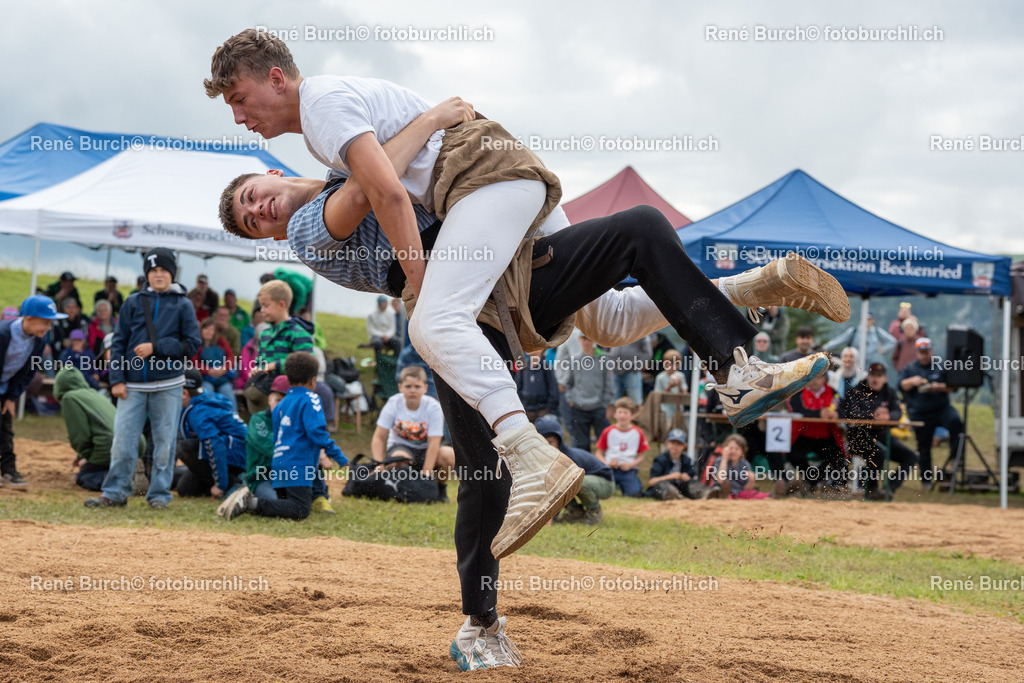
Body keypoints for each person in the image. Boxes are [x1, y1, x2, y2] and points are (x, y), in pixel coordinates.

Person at [206, 29, 845, 667]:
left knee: (574, 312)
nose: (259, 211)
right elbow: (372, 192)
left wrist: (420, 163)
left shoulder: (327, 122)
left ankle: (736, 330)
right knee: (574, 357)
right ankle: (482, 622)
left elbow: (386, 184)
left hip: (485, 257)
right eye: (250, 221)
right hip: (474, 276)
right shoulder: (309, 230)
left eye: (251, 197)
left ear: (270, 166)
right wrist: (430, 116)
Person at [84, 248, 201, 509]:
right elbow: (119, 342)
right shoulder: (133, 302)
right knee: (123, 443)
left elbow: (192, 344)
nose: (158, 275)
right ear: (146, 274)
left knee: (164, 445)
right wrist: (116, 379)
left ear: (172, 273)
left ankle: (159, 496)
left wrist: (156, 346)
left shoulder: (183, 305)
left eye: (163, 270)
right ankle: (114, 493)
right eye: (153, 271)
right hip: (132, 385)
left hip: (169, 385)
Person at [220, 352, 348, 520]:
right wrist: (339, 457)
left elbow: (277, 438)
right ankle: (251, 503)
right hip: (297, 464)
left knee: (291, 503)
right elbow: (317, 432)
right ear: (313, 380)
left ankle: (255, 502)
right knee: (300, 509)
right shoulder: (311, 398)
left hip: (280, 463)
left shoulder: (283, 404)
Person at [0, 295, 68, 487]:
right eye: (45, 323)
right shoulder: (3, 334)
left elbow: (29, 372)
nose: (48, 328)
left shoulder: (38, 341)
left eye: (50, 323)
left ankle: (8, 471)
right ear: (28, 318)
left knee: (5, 429)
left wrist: (11, 397)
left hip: (6, 389)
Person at [54, 366, 145, 491]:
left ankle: (124, 481)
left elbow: (80, 435)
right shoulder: (93, 394)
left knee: (85, 476)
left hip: (110, 445)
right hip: (136, 442)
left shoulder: (70, 398)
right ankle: (128, 471)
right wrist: (82, 456)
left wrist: (85, 456)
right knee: (97, 467)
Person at [372, 365, 454, 501]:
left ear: (425, 388)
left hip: (425, 451)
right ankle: (401, 488)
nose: (412, 390)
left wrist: (426, 473)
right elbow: (379, 437)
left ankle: (440, 490)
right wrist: (379, 464)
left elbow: (434, 442)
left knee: (449, 454)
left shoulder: (433, 407)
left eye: (417, 386)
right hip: (401, 449)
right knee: (398, 459)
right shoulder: (393, 403)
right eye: (408, 386)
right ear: (400, 387)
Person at [839, 362, 919, 500]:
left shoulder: (889, 392)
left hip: (882, 436)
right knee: (878, 454)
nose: (875, 379)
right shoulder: (855, 391)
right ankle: (872, 490)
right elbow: (848, 413)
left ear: (884, 378)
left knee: (911, 457)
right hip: (859, 436)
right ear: (868, 376)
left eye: (879, 376)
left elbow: (898, 413)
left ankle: (890, 489)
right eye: (873, 375)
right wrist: (872, 415)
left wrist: (889, 416)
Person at [899, 337, 963, 490]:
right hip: (920, 412)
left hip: (942, 408)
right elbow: (901, 385)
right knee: (923, 447)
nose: (924, 355)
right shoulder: (909, 369)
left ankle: (956, 459)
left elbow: (954, 387)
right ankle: (926, 482)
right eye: (921, 352)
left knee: (955, 421)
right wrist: (911, 382)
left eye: (926, 351)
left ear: (931, 351)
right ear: (917, 353)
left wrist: (940, 386)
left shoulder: (941, 366)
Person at [245, 280, 315, 413]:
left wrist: (276, 365)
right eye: (261, 306)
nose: (262, 310)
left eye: (266, 306)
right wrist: (257, 369)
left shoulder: (298, 333)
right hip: (263, 395)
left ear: (281, 305)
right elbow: (260, 361)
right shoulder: (264, 334)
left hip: (289, 399)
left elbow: (307, 365)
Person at [175, 369, 248, 498]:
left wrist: (221, 485)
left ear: (184, 393)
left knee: (186, 447)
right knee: (185, 489)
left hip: (238, 457)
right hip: (226, 454)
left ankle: (235, 483)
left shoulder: (199, 413)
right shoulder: (199, 399)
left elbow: (215, 445)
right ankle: (217, 480)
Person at [535, 415, 614, 525]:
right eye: (543, 442)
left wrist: (551, 518)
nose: (548, 446)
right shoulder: (543, 461)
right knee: (560, 484)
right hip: (581, 481)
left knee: (573, 482)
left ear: (560, 441)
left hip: (606, 483)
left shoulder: (568, 458)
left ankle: (594, 512)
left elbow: (562, 490)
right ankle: (576, 512)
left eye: (551, 442)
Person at [787, 374, 847, 494]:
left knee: (838, 458)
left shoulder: (833, 392)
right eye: (813, 377)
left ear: (824, 379)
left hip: (825, 436)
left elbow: (843, 410)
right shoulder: (799, 392)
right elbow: (797, 410)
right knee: (793, 455)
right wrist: (819, 413)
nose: (815, 381)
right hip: (803, 435)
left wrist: (837, 414)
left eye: (818, 377)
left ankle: (810, 481)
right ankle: (812, 481)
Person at [564, 334, 616, 451]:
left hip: (598, 405)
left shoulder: (604, 359)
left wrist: (606, 403)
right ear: (580, 340)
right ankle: (585, 467)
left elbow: (609, 383)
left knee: (603, 442)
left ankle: (603, 466)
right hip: (578, 406)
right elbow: (569, 382)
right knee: (581, 443)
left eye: (590, 339)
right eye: (584, 339)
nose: (587, 342)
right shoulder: (575, 360)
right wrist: (570, 399)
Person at [595, 397, 649, 497]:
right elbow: (599, 453)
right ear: (615, 414)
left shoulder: (638, 433)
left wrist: (631, 465)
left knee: (634, 494)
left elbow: (641, 456)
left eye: (625, 413)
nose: (622, 416)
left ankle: (630, 485)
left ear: (632, 416)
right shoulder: (608, 431)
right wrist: (607, 463)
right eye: (620, 412)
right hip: (610, 469)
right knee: (602, 493)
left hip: (628, 470)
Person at [646, 428, 716, 500]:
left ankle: (706, 493)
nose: (675, 446)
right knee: (662, 484)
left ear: (684, 446)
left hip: (681, 488)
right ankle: (674, 496)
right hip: (665, 488)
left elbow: (691, 476)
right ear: (667, 443)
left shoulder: (686, 460)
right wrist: (671, 476)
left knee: (692, 483)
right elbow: (651, 482)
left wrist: (686, 477)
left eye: (679, 444)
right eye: (673, 443)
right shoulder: (660, 459)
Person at [192, 318, 238, 413]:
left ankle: (234, 419)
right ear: (201, 330)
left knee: (228, 393)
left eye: (211, 330)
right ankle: (208, 418)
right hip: (205, 378)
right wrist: (208, 371)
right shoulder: (197, 343)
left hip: (222, 377)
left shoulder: (221, 341)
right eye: (206, 329)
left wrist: (224, 368)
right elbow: (194, 362)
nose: (209, 332)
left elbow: (230, 357)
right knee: (207, 393)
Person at [707, 434, 767, 498]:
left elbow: (746, 488)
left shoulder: (745, 464)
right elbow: (720, 480)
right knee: (724, 488)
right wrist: (724, 459)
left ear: (742, 452)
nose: (733, 451)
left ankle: (770, 495)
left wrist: (752, 481)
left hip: (739, 493)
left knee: (755, 494)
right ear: (725, 449)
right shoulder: (719, 461)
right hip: (722, 492)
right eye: (730, 448)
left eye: (737, 449)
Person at [604, 338, 651, 406]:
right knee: (611, 400)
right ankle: (613, 416)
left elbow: (648, 353)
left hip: (631, 372)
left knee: (635, 401)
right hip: (614, 371)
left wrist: (636, 367)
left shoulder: (641, 332)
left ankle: (637, 416)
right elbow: (606, 348)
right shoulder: (614, 331)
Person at [514, 349, 559, 422]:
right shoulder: (523, 368)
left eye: (535, 347)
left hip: (543, 411)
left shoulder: (547, 368)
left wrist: (547, 409)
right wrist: (523, 407)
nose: (530, 348)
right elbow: (517, 388)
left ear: (541, 349)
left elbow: (553, 391)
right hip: (527, 411)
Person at [652, 348, 687, 426]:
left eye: (676, 364)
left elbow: (685, 394)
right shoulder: (660, 377)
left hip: (678, 410)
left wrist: (679, 385)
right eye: (671, 363)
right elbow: (658, 396)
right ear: (665, 363)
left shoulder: (680, 376)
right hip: (665, 410)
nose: (673, 366)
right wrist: (669, 386)